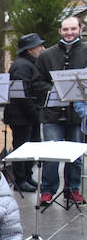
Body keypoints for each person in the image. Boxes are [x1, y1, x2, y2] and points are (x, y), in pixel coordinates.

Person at [31, 15, 87, 206]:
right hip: (52, 113)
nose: (69, 33)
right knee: (51, 155)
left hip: (77, 114)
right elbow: (36, 82)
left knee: (75, 154)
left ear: (80, 29)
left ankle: (73, 190)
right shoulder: (46, 55)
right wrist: (57, 90)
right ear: (60, 31)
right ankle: (47, 190)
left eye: (73, 29)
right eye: (65, 29)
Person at [5, 33, 45, 193]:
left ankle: (27, 176)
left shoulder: (29, 64)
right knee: (21, 147)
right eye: (39, 46)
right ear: (30, 50)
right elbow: (23, 94)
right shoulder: (22, 66)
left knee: (32, 146)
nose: (42, 48)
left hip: (26, 115)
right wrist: (34, 114)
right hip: (21, 115)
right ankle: (20, 180)